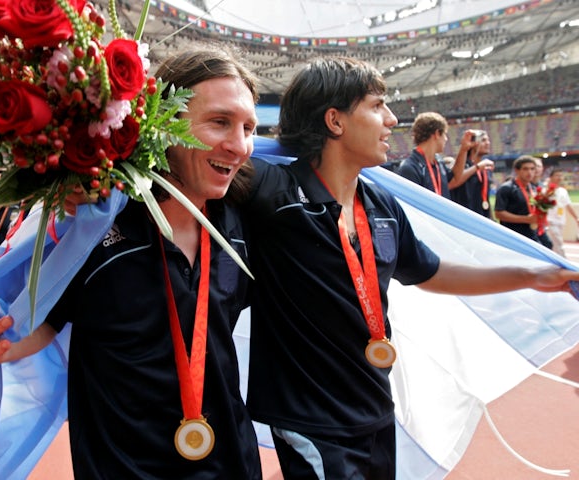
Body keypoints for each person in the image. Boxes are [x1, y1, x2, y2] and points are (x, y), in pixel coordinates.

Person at [242, 57, 579, 479]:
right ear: (335, 120)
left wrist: (534, 276)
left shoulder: (382, 207)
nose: (392, 119)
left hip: (376, 409)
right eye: (377, 105)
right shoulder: (272, 193)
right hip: (310, 420)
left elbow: (432, 272)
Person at [0, 48, 262, 479]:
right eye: (220, 122)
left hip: (233, 464)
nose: (239, 146)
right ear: (163, 124)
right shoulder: (93, 222)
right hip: (123, 469)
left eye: (249, 128)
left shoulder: (242, 224)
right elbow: (40, 324)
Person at [396, 111, 467, 199]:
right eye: (445, 134)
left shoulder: (438, 161)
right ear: (437, 134)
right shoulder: (410, 168)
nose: (446, 139)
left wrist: (464, 149)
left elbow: (455, 178)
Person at [494, 155, 544, 243]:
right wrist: (525, 219)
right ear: (517, 170)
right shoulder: (506, 188)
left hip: (532, 235)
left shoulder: (533, 189)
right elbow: (499, 213)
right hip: (512, 237)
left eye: (532, 169)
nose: (529, 172)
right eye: (525, 169)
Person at [448, 129, 496, 218]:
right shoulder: (460, 165)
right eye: (483, 140)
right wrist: (476, 167)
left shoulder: (485, 168)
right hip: (463, 217)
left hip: (482, 218)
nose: (488, 143)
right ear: (473, 143)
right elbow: (453, 182)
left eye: (488, 140)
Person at [546, 168, 579, 257]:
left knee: (555, 243)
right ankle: (564, 262)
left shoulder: (562, 191)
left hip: (560, 221)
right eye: (557, 175)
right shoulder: (546, 190)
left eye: (561, 175)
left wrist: (576, 218)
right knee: (558, 243)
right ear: (551, 177)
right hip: (549, 221)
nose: (559, 177)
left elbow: (568, 205)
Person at [532, 156, 554, 248]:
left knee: (548, 245)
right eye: (534, 166)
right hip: (529, 224)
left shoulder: (542, 186)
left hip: (540, 224)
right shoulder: (524, 185)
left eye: (539, 166)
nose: (537, 169)